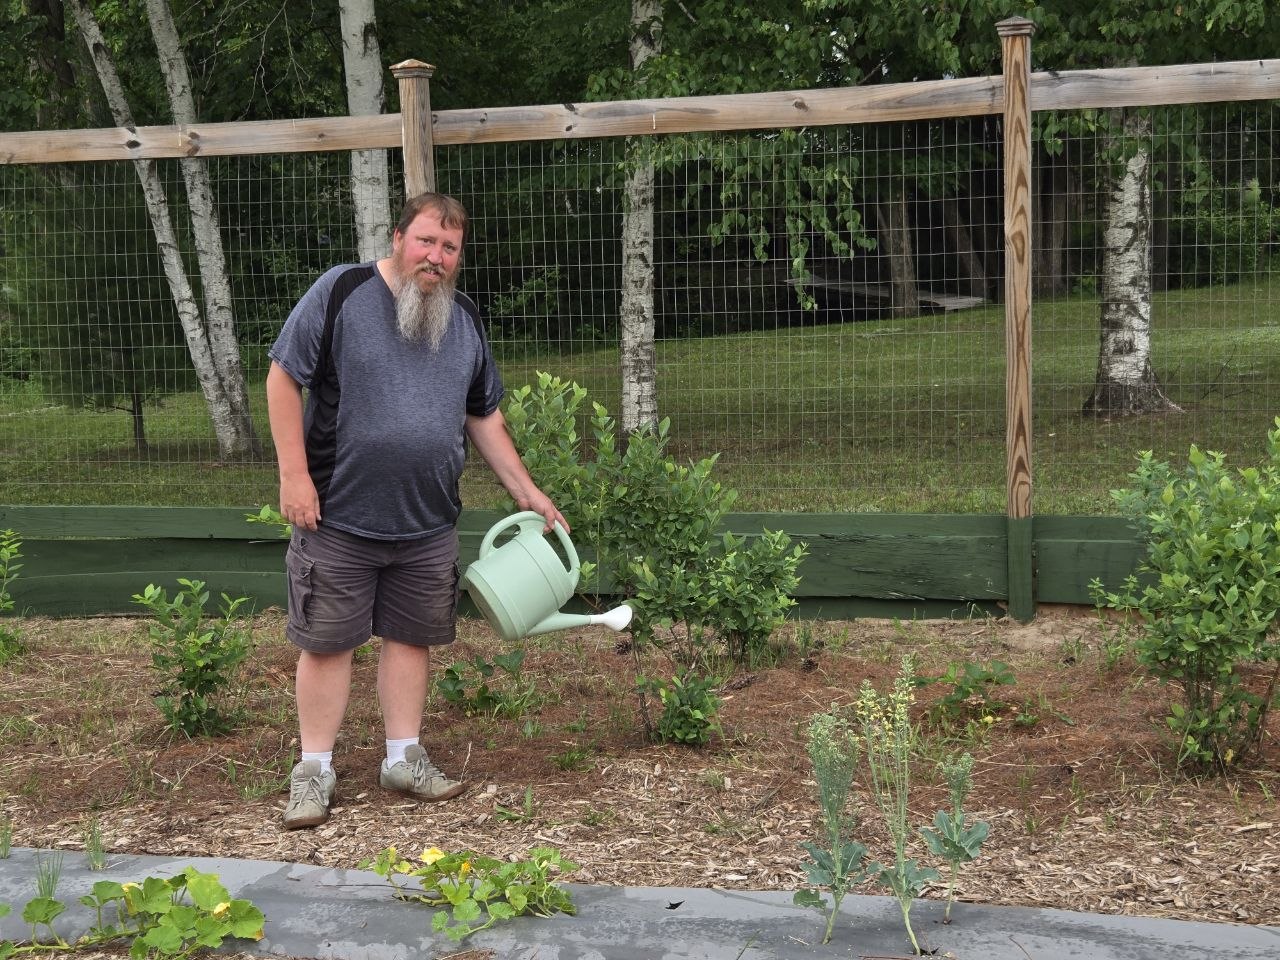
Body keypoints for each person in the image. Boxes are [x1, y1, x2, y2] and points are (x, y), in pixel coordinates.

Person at [265, 191, 565, 830]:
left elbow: (482, 414)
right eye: (427, 240)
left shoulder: (463, 321)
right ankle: (313, 771)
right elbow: (282, 378)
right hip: (336, 514)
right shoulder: (341, 292)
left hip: (427, 521)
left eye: (450, 248)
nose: (437, 257)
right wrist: (294, 475)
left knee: (412, 639)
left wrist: (526, 491)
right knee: (327, 643)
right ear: (399, 237)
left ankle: (403, 758)